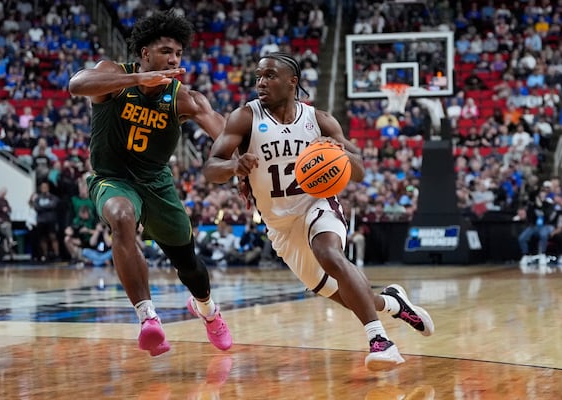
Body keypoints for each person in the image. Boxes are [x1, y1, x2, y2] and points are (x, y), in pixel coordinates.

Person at [202, 52, 434, 371]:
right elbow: (210, 169)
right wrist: (232, 164)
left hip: (317, 204)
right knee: (341, 293)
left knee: (328, 252)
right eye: (258, 76)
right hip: (280, 226)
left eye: (269, 75)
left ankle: (381, 341)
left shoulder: (319, 120)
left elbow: (361, 171)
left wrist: (340, 154)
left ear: (292, 81)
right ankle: (395, 304)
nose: (261, 82)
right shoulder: (244, 117)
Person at [68, 10, 231, 357]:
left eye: (178, 53)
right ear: (144, 54)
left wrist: (242, 164)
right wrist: (138, 81)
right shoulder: (112, 75)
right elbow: (76, 85)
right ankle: (148, 319)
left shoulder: (185, 97)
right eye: (165, 51)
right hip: (112, 178)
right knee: (121, 216)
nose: (173, 59)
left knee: (190, 268)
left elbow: (223, 134)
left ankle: (207, 309)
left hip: (156, 183)